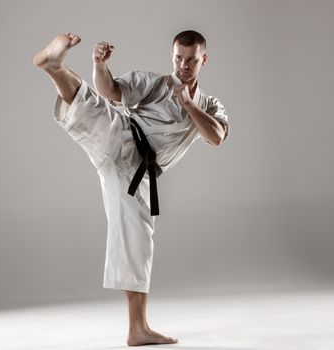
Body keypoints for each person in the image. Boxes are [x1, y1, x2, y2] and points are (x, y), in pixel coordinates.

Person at [33, 30, 229, 346]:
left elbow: (216, 136)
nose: (183, 65)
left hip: (139, 172)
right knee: (93, 105)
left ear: (203, 60)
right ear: (172, 55)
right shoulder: (155, 83)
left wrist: (189, 104)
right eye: (178, 58)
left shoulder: (209, 104)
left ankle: (137, 329)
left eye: (191, 60)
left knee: (138, 239)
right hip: (124, 135)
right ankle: (54, 66)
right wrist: (99, 64)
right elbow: (110, 91)